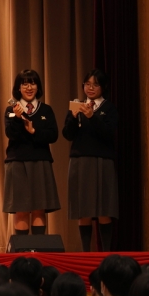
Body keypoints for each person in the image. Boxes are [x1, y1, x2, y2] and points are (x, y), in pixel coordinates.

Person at [62, 69, 119, 251]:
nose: (90, 88)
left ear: (103, 87)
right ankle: (85, 252)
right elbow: (67, 134)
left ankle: (106, 252)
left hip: (103, 161)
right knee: (83, 209)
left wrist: (91, 117)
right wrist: (73, 118)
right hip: (80, 161)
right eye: (87, 84)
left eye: (95, 84)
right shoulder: (77, 106)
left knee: (104, 208)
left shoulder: (109, 108)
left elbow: (108, 134)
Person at [3, 69, 60, 235]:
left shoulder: (46, 110)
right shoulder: (11, 110)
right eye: (25, 84)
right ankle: (23, 249)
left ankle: (38, 248)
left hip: (40, 161)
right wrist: (17, 119)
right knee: (21, 209)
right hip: (17, 162)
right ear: (18, 88)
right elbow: (10, 134)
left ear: (38, 87)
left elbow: (53, 135)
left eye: (33, 83)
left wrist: (34, 131)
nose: (29, 87)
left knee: (39, 208)